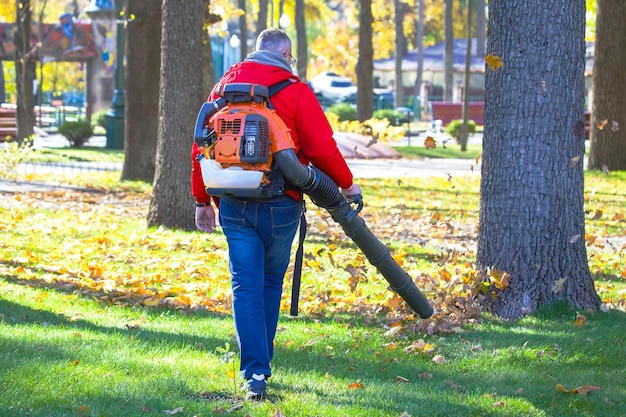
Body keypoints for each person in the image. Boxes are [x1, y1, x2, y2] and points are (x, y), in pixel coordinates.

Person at [191, 27, 361, 400]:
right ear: (286, 56)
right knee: (269, 283)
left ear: (256, 53)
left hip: (233, 200)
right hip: (282, 203)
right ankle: (259, 368)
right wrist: (347, 185)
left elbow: (201, 145)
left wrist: (202, 200)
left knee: (245, 285)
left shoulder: (223, 89)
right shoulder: (295, 90)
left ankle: (255, 372)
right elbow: (321, 147)